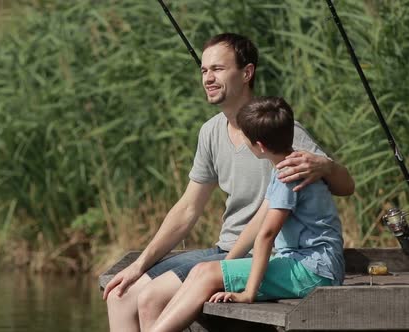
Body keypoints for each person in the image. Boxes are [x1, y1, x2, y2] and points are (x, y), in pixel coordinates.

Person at [102, 33, 354, 332]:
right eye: (204, 70)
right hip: (227, 249)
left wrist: (325, 166)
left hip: (273, 257)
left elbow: (344, 187)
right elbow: (187, 209)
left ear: (247, 73)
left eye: (218, 69)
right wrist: (139, 264)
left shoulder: (278, 128)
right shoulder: (210, 132)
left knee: (150, 299)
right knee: (120, 294)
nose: (208, 78)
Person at [148, 96, 345, 332]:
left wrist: (249, 293)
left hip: (314, 270)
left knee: (206, 274)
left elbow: (266, 235)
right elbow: (259, 220)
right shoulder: (286, 165)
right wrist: (226, 267)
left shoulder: (287, 175)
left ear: (259, 146)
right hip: (306, 265)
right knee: (203, 271)